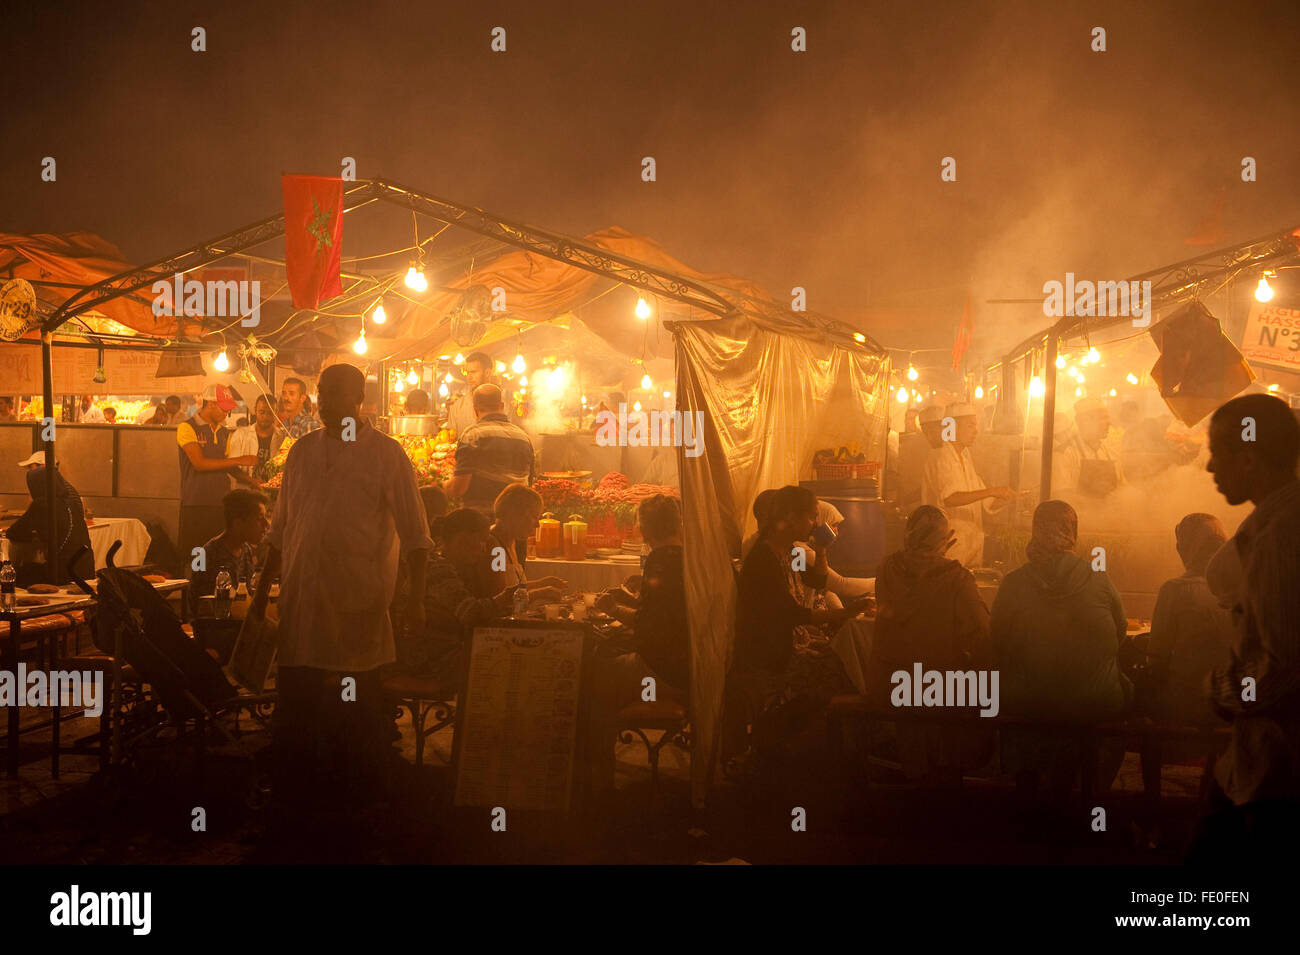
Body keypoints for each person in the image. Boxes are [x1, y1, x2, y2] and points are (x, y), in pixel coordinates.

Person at [253, 362, 432, 812]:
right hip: (302, 599)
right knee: (298, 701)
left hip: (359, 600)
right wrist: (260, 598)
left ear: (359, 400)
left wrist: (416, 601)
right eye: (323, 393)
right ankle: (295, 798)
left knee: (355, 706)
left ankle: (356, 800)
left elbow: (416, 536)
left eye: (337, 394)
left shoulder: (387, 455)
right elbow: (279, 531)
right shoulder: (301, 452)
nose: (327, 403)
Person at [1188, 394, 1300, 863]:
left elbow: (1284, 667)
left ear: (1249, 457)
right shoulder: (1272, 523)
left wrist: (1222, 690)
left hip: (1277, 768)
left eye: (1217, 451)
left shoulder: (1278, 537)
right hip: (1257, 766)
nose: (1210, 467)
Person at [992, 500, 1132, 797]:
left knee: (1013, 693)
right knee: (1125, 694)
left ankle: (1028, 799)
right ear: (1073, 532)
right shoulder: (1099, 578)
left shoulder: (1013, 583)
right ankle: (1090, 794)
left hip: (1029, 703)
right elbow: (1121, 633)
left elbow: (997, 643)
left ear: (1035, 532)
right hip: (1094, 705)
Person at [868, 505, 993, 783]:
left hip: (889, 684)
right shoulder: (958, 578)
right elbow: (982, 633)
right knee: (986, 695)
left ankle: (918, 781)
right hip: (937, 687)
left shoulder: (886, 569)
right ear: (943, 540)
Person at [734, 485, 860, 707]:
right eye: (811, 518)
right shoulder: (764, 559)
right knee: (847, 673)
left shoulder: (789, 551)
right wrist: (844, 613)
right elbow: (791, 614)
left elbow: (818, 581)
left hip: (789, 645)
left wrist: (821, 550)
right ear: (791, 518)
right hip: (772, 657)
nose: (815, 524)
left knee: (850, 660)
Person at [920, 402, 1014, 568]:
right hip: (948, 545)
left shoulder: (965, 456)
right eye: (971, 425)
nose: (976, 431)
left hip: (971, 543)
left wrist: (1007, 497)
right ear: (953, 426)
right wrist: (991, 491)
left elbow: (985, 499)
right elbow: (950, 498)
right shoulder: (941, 455)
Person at [176, 385, 260, 567]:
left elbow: (228, 465)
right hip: (196, 503)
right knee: (197, 557)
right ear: (211, 404)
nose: (227, 413)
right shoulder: (187, 427)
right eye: (224, 408)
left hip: (221, 503)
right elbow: (200, 463)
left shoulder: (223, 433)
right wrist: (239, 459)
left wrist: (253, 482)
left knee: (218, 555)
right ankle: (194, 592)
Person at [445, 384, 536, 518]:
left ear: (475, 410)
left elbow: (458, 489)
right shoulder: (523, 437)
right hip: (515, 522)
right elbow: (529, 484)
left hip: (480, 524)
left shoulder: (472, 435)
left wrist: (443, 486)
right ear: (502, 405)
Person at [464, 483, 566, 599]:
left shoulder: (510, 542)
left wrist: (542, 583)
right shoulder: (495, 548)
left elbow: (513, 588)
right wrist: (539, 593)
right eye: (534, 517)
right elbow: (499, 596)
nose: (537, 525)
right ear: (514, 514)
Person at [6, 457, 94, 586]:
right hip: (86, 569)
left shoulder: (42, 504)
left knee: (18, 574)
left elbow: (13, 532)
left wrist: (33, 536)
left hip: (62, 572)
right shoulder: (71, 502)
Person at [189, 488, 268, 603]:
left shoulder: (246, 550)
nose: (266, 524)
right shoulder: (206, 554)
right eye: (260, 518)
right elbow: (197, 603)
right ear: (238, 523)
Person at [1056, 396, 1124, 497]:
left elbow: (1122, 487)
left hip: (1109, 512)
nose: (1109, 423)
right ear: (1084, 421)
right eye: (1103, 417)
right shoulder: (1065, 453)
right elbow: (1062, 495)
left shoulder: (1110, 453)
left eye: (1108, 418)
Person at [228, 394, 286, 481]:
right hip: (245, 492)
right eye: (262, 412)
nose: (265, 417)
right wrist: (251, 481)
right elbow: (231, 467)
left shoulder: (282, 437)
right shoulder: (240, 435)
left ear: (276, 412)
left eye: (270, 413)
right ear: (255, 410)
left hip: (272, 492)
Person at [896, 405, 944, 509]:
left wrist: (903, 501)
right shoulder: (917, 446)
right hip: (923, 507)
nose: (929, 436)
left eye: (932, 431)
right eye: (926, 431)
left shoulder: (950, 450)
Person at [444, 351, 494, 438]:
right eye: (467, 373)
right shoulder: (457, 407)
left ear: (487, 373)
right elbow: (450, 443)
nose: (469, 377)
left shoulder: (503, 405)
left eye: (474, 372)